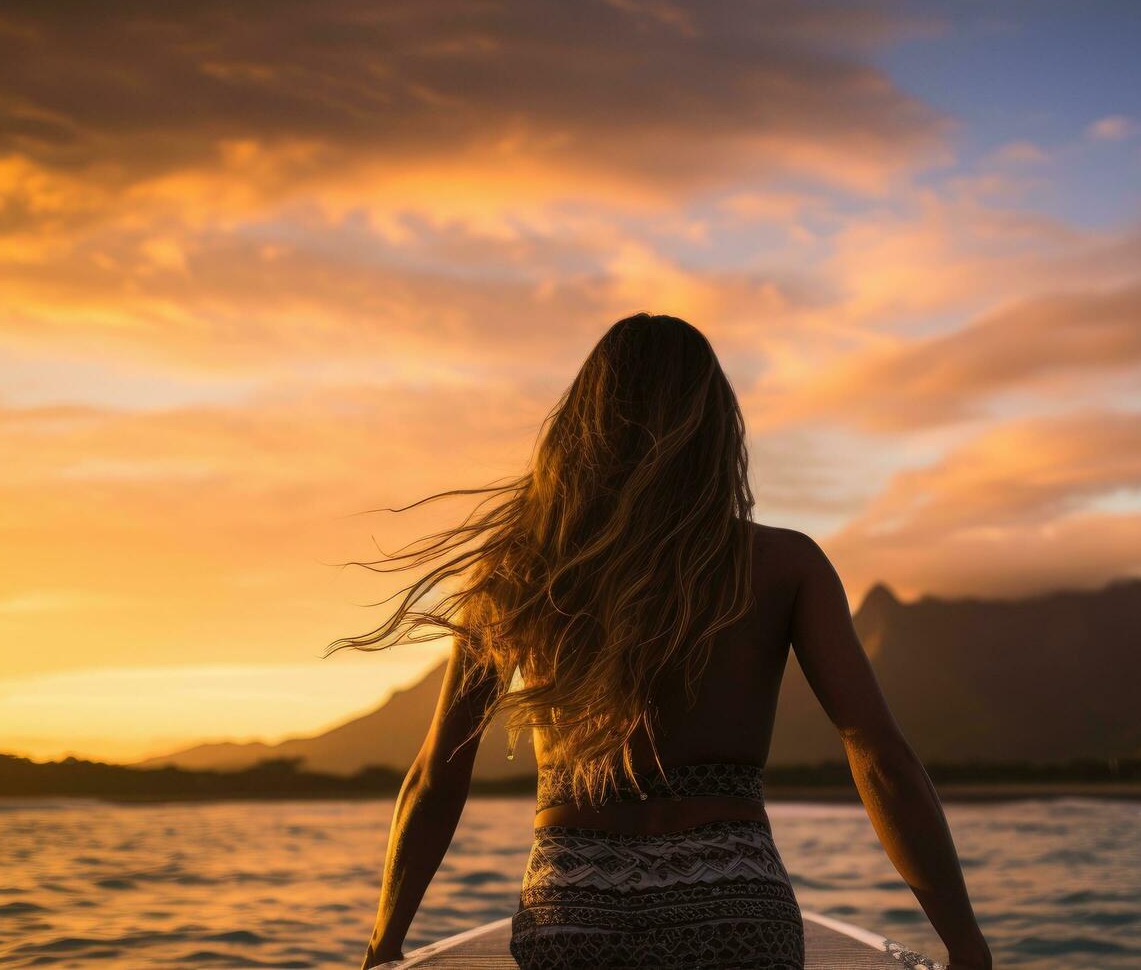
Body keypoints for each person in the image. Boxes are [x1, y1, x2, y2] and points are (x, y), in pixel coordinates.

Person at [336, 313, 992, 969]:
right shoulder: (783, 565)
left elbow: (436, 773)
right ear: (715, 428)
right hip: (732, 902)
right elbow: (880, 757)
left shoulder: (521, 571)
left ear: (584, 426)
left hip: (573, 908)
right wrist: (965, 944)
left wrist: (384, 941)